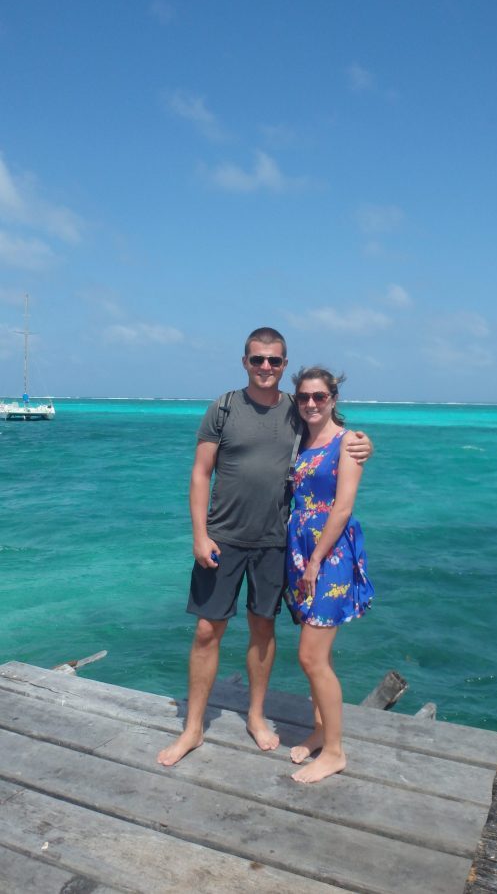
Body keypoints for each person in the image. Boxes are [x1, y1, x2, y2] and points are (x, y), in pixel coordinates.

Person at [157, 328, 372, 766]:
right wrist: (199, 534)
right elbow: (201, 473)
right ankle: (193, 728)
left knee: (262, 628)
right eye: (258, 360)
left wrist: (364, 442)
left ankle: (256, 716)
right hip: (224, 536)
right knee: (205, 631)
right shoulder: (224, 406)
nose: (266, 367)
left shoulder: (298, 410)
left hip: (277, 542)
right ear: (245, 362)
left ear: (284, 364)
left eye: (275, 361)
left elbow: (334, 435)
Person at [285, 367, 374, 783]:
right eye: (304, 397)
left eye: (319, 397)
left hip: (330, 555)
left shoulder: (349, 442)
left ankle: (335, 751)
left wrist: (317, 560)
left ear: (333, 398)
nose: (311, 404)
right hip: (302, 553)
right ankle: (321, 730)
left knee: (311, 655)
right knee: (316, 656)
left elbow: (342, 508)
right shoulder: (300, 439)